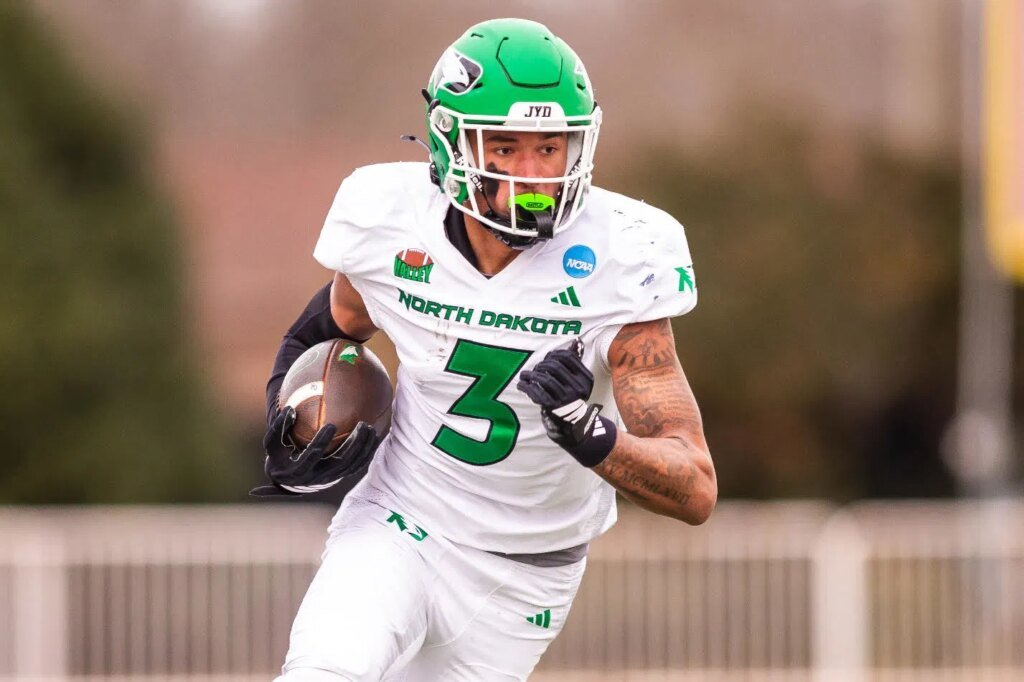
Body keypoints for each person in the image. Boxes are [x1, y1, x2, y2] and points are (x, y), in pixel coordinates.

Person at [257, 17, 717, 681]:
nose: (531, 174)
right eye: (503, 146)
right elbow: (326, 329)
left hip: (523, 577)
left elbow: (694, 486)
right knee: (326, 671)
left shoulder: (625, 259)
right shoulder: (390, 222)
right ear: (452, 145)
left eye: (549, 148)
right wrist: (288, 413)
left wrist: (591, 435)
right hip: (401, 520)